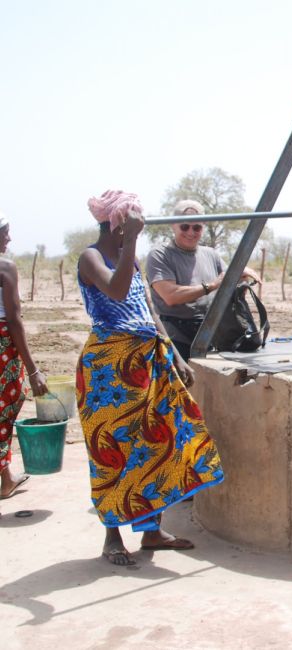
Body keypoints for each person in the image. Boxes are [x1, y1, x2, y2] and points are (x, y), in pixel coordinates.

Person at [77, 190, 224, 565]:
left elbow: (149, 310)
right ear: (118, 222)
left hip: (148, 360)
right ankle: (112, 535)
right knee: (112, 449)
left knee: (159, 443)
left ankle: (152, 531)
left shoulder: (131, 259)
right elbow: (116, 289)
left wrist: (175, 355)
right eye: (135, 217)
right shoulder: (91, 257)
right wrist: (130, 243)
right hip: (108, 369)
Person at [146, 199, 260, 360]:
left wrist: (240, 276)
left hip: (212, 335)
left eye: (197, 227)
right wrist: (212, 285)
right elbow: (170, 296)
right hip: (175, 339)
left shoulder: (210, 254)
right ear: (173, 225)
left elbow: (229, 282)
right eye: (185, 226)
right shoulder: (160, 255)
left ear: (203, 227)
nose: (191, 232)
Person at [0, 211, 48, 513]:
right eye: (4, 232)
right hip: (3, 345)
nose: (8, 238)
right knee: (5, 408)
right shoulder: (5, 267)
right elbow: (14, 321)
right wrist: (33, 369)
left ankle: (5, 477)